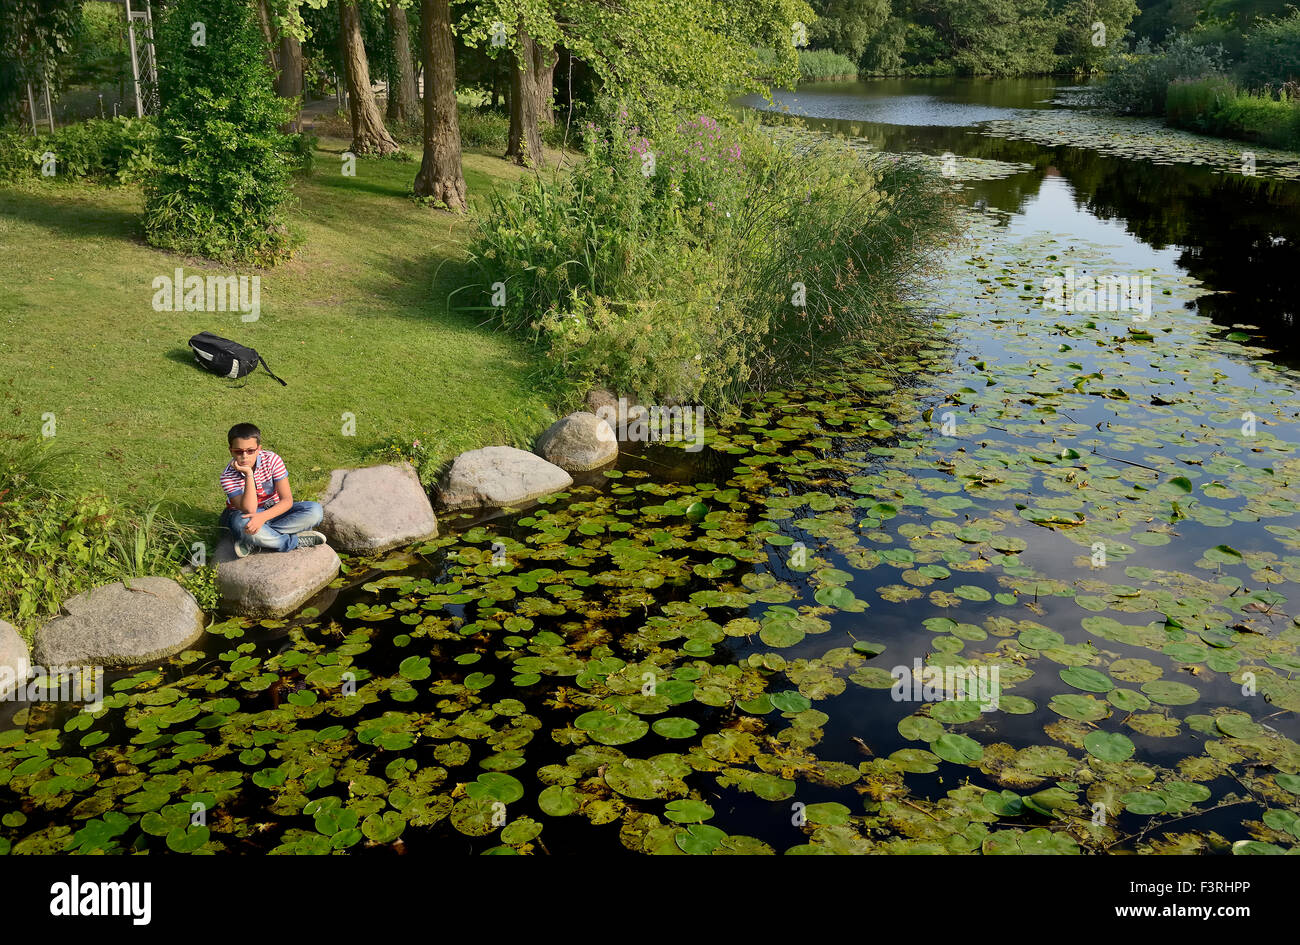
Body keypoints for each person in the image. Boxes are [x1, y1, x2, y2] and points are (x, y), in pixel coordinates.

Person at [219, 422, 327, 557]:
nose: (245, 456)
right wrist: (248, 474)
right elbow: (250, 510)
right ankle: (291, 542)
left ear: (259, 449)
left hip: (273, 511)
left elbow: (287, 500)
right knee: (240, 524)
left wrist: (262, 518)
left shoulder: (272, 460)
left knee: (314, 510)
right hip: (244, 517)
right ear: (231, 450)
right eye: (239, 451)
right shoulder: (227, 476)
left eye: (250, 451)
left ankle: (255, 540)